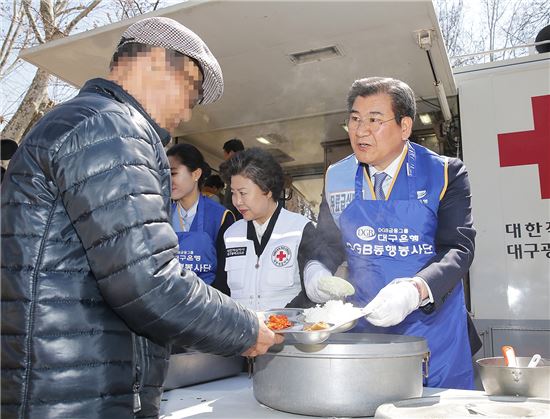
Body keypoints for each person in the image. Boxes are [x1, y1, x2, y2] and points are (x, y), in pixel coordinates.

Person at [0, 17, 282, 419]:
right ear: (151, 62)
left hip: (66, 383)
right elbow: (148, 279)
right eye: (192, 90)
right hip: (74, 395)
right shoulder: (110, 128)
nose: (189, 111)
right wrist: (244, 328)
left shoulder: (88, 122)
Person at [304, 77, 476, 390]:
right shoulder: (338, 176)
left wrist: (415, 290)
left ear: (405, 126)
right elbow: (328, 243)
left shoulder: (445, 173)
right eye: (355, 119)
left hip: (433, 332)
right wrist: (316, 270)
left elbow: (457, 249)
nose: (360, 130)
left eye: (374, 120)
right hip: (365, 330)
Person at [219, 148, 316, 310]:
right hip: (243, 331)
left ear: (267, 190)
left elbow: (312, 293)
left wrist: (279, 321)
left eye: (243, 193)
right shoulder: (230, 234)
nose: (237, 201)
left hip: (287, 331)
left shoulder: (300, 229)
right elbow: (222, 290)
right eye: (233, 193)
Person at [167, 143, 234, 292]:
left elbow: (226, 275)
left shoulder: (221, 217)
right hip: (168, 303)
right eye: (164, 174)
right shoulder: (161, 217)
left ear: (196, 174)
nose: (168, 181)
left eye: (173, 174)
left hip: (209, 304)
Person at [221, 138, 244, 219]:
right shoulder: (249, 168)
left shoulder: (233, 171)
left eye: (224, 153)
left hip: (234, 216)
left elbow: (229, 202)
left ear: (230, 153)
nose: (224, 156)